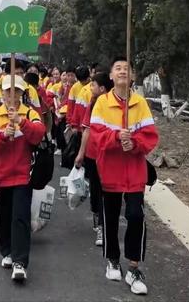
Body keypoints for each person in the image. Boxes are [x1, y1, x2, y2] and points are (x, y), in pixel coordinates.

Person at [89, 56, 159, 296]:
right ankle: (112, 259)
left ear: (133, 77)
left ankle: (134, 267)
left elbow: (150, 136)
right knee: (109, 217)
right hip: (109, 171)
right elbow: (96, 136)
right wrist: (117, 137)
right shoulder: (101, 104)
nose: (122, 71)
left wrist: (135, 144)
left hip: (135, 173)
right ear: (110, 76)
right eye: (117, 68)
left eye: (126, 69)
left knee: (136, 216)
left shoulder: (140, 104)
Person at [0, 75, 45, 281]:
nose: (11, 95)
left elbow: (38, 134)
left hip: (24, 174)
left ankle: (20, 262)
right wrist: (2, 137)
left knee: (20, 217)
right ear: (2, 93)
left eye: (16, 91)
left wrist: (20, 122)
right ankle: (6, 252)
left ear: (22, 93)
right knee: (4, 216)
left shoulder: (30, 113)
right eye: (7, 91)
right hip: (2, 175)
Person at [74, 72, 113, 247]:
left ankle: (105, 224)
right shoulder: (93, 104)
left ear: (103, 88)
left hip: (110, 156)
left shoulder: (115, 105)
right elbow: (87, 130)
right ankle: (99, 224)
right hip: (93, 155)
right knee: (96, 190)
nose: (91, 88)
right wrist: (81, 153)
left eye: (94, 85)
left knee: (109, 191)